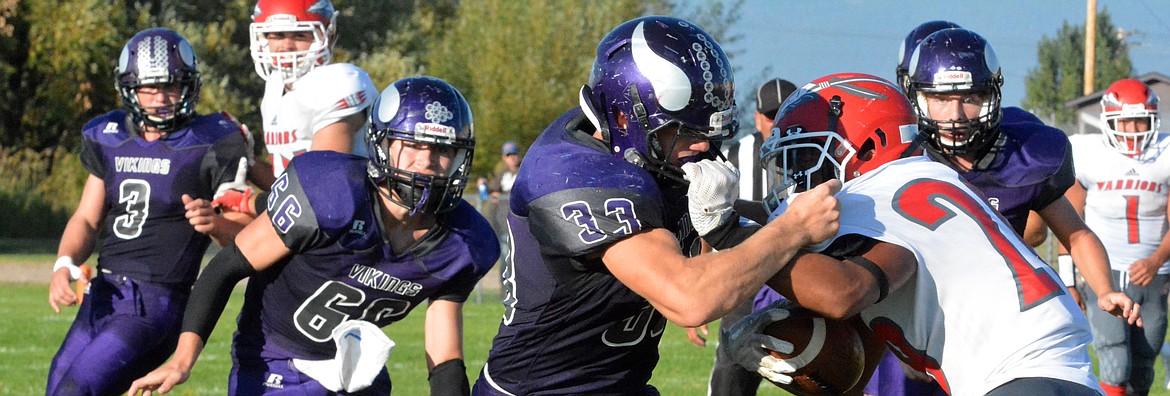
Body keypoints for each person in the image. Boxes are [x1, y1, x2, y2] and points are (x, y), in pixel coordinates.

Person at [472, 16, 841, 395]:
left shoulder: (648, 154)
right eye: (687, 130)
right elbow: (689, 297)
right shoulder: (572, 174)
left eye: (708, 131)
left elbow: (693, 255)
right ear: (622, 116)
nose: (702, 146)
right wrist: (791, 229)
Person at [722, 72, 1133, 395]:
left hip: (1016, 379)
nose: (797, 177)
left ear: (867, 148)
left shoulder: (874, 194)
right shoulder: (924, 182)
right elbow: (858, 365)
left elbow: (841, 292)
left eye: (809, 156)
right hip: (1065, 376)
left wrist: (727, 231)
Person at [128, 76, 499, 395]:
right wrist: (182, 359)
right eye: (414, 144)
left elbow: (444, 353)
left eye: (442, 149)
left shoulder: (465, 242)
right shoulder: (329, 192)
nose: (426, 161)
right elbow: (224, 269)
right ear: (383, 145)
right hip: (276, 360)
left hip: (358, 374)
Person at [45, 27, 252, 395]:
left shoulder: (212, 140)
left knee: (76, 390)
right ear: (130, 89)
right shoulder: (109, 136)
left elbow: (249, 236)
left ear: (189, 86)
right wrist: (64, 263)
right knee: (57, 386)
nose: (161, 98)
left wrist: (216, 223)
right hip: (103, 293)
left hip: (155, 302)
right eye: (150, 88)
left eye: (171, 86)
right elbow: (87, 218)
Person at [906, 27, 1135, 327]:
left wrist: (1105, 290)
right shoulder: (903, 159)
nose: (955, 114)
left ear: (992, 95)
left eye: (970, 98)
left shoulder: (1023, 158)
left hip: (1001, 313)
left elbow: (1077, 235)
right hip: (920, 314)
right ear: (919, 98)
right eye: (941, 99)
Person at [217, 0, 379, 216]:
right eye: (277, 35)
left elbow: (321, 190)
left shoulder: (339, 83)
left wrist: (248, 202)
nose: (286, 46)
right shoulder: (274, 89)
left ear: (326, 36)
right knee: (215, 218)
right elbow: (286, 185)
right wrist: (249, 161)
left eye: (299, 35)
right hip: (306, 218)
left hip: (353, 222)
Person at [689, 77, 797, 396]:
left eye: (786, 113)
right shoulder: (732, 156)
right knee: (731, 376)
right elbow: (707, 221)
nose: (778, 123)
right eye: (771, 115)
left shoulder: (815, 153)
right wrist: (697, 289)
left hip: (803, 277)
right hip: (745, 279)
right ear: (757, 117)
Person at [1065, 78, 1170, 396]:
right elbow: (1069, 222)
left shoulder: (1165, 153)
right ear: (1108, 120)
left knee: (1143, 365)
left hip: (1153, 275)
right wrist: (1068, 279)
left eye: (1140, 120)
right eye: (1124, 120)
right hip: (1103, 272)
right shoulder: (1087, 152)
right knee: (1114, 359)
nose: (1133, 129)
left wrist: (1156, 260)